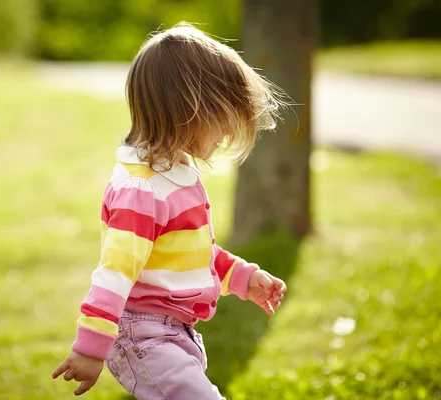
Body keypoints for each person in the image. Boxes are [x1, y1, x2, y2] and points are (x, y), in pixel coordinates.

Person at [52, 22, 287, 399]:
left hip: (172, 333)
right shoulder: (141, 190)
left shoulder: (178, 172)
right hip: (144, 337)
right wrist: (90, 347)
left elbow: (191, 254)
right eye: (222, 121)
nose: (227, 134)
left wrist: (243, 278)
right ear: (188, 112)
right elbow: (114, 274)